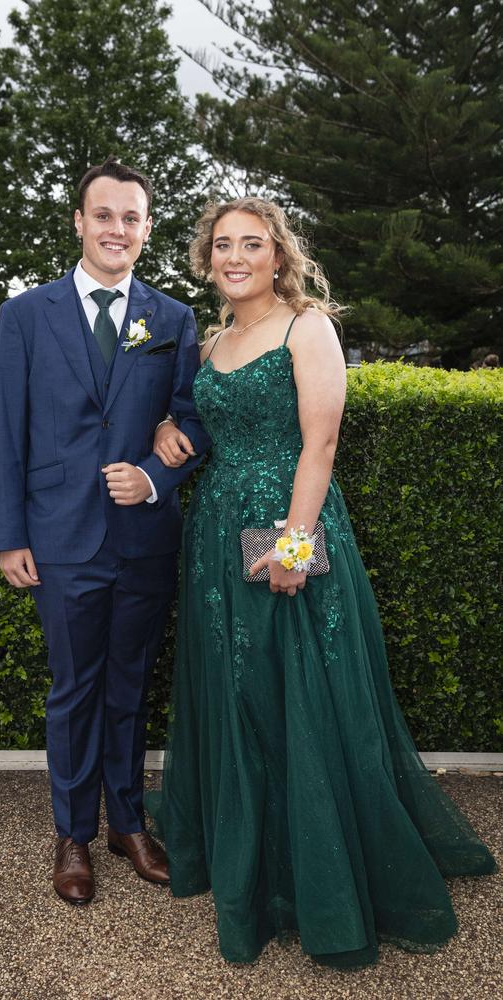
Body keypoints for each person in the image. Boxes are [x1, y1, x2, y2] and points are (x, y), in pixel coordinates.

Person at [149, 197, 496, 968]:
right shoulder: (213, 343)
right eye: (221, 245)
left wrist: (296, 550)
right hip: (216, 540)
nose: (235, 256)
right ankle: (254, 860)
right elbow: (205, 428)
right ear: (209, 260)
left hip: (288, 528)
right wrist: (164, 432)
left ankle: (323, 880)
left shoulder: (308, 327)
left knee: (300, 696)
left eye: (252, 243)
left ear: (278, 255)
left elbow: (322, 441)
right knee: (241, 695)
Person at [0, 157, 209, 905]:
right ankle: (73, 835)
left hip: (143, 536)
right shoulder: (26, 314)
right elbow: (7, 433)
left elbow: (193, 419)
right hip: (59, 537)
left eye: (131, 217)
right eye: (104, 215)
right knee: (73, 689)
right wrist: (9, 534)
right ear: (79, 222)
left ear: (147, 230)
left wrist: (155, 472)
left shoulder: (174, 320)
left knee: (129, 689)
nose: (117, 228)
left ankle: (128, 824)